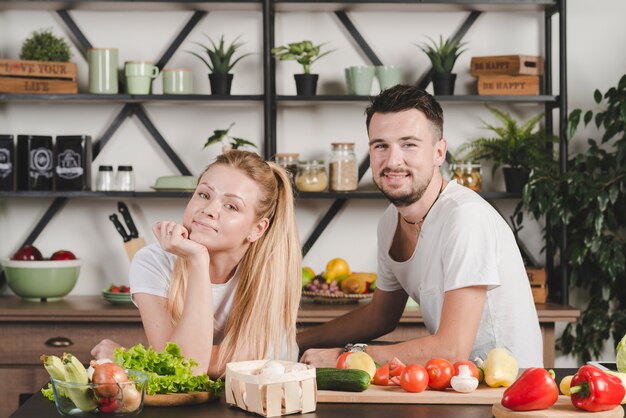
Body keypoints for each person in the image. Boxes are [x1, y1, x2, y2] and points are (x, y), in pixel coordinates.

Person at [298, 85, 543, 368]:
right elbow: (380, 316)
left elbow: (452, 349)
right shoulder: (390, 222)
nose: (392, 161)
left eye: (409, 145)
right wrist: (298, 341)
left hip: (505, 391)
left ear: (439, 152)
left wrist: (348, 357)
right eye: (381, 146)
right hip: (452, 383)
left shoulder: (465, 217)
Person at [92, 150, 301, 376]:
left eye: (231, 206)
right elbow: (184, 369)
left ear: (257, 229)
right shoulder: (153, 261)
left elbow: (182, 367)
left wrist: (129, 357)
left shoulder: (271, 268)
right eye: (204, 194)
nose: (209, 210)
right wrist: (198, 260)